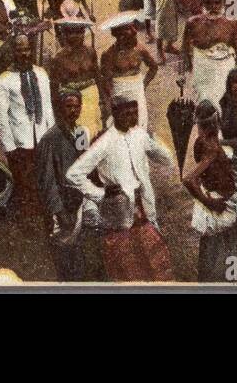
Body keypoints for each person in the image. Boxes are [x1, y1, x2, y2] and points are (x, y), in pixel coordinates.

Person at [65, 92, 176, 282]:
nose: (133, 118)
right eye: (127, 114)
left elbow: (167, 159)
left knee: (155, 260)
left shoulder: (139, 135)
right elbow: (73, 174)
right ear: (115, 114)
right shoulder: (105, 142)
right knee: (126, 264)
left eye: (135, 113)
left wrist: (152, 136)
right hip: (117, 210)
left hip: (142, 206)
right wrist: (99, 193)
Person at [36, 88, 100, 281]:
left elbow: (85, 164)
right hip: (64, 203)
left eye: (77, 106)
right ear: (60, 109)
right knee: (64, 247)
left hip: (80, 198)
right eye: (68, 106)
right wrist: (58, 211)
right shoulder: (50, 139)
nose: (73, 110)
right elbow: (47, 181)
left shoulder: (80, 132)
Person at [0, 34, 56, 228]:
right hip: (21, 141)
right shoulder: (5, 81)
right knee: (24, 181)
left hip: (42, 136)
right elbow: (1, 117)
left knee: (44, 177)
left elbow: (47, 107)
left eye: (27, 49)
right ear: (13, 52)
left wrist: (51, 134)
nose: (25, 54)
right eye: (20, 50)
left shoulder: (41, 74)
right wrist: (10, 146)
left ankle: (48, 214)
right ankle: (26, 218)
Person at [184, 100, 237, 282]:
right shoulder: (210, 147)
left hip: (219, 198)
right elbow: (189, 179)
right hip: (220, 204)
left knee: (214, 249)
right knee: (224, 248)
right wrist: (208, 201)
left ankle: (212, 281)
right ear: (215, 121)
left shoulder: (203, 142)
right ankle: (225, 281)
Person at [181, 0, 237, 108]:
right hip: (202, 67)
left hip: (225, 66)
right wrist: (182, 73)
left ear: (223, 4)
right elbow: (184, 49)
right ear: (202, 4)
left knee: (225, 101)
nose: (213, 7)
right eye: (208, 3)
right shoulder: (193, 22)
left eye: (217, 3)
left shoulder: (232, 23)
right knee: (203, 102)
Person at [99, 11, 159, 130]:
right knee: (121, 128)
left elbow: (153, 67)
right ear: (119, 34)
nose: (134, 31)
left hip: (137, 92)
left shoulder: (139, 50)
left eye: (134, 26)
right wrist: (111, 102)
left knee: (140, 125)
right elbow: (105, 81)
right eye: (128, 28)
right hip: (119, 94)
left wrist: (143, 84)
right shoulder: (109, 55)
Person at [45, 17, 102, 141]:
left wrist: (104, 101)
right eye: (71, 32)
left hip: (91, 99)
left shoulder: (90, 52)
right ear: (64, 34)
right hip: (72, 103)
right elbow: (53, 91)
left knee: (94, 136)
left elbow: (98, 77)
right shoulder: (58, 59)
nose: (76, 36)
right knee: (79, 140)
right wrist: (59, 116)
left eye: (79, 32)